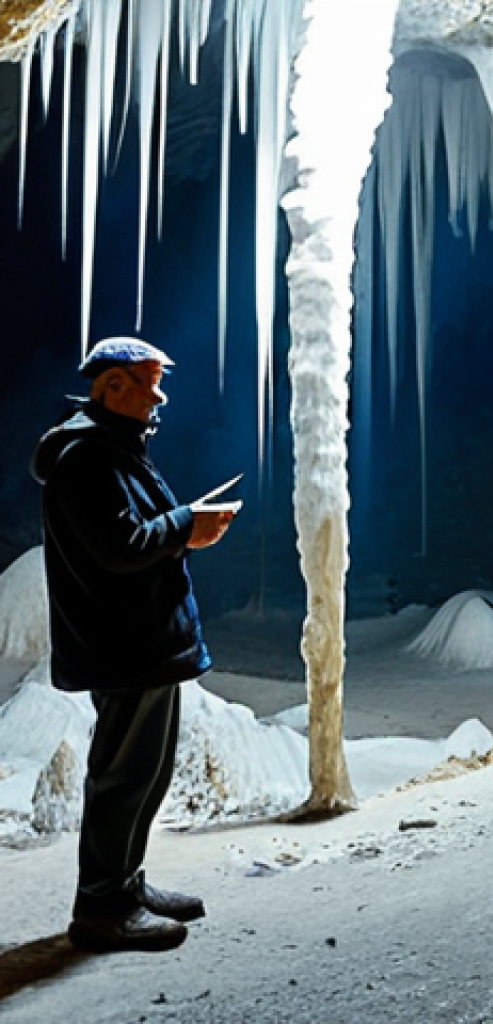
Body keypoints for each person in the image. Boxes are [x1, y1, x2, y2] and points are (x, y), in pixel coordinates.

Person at [30, 337, 237, 953]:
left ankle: (125, 885)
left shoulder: (114, 450)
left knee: (145, 773)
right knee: (123, 776)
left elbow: (133, 532)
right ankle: (100, 907)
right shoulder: (85, 458)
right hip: (123, 645)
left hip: (142, 641)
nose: (160, 394)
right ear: (111, 387)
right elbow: (119, 548)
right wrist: (185, 527)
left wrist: (183, 521)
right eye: (149, 382)